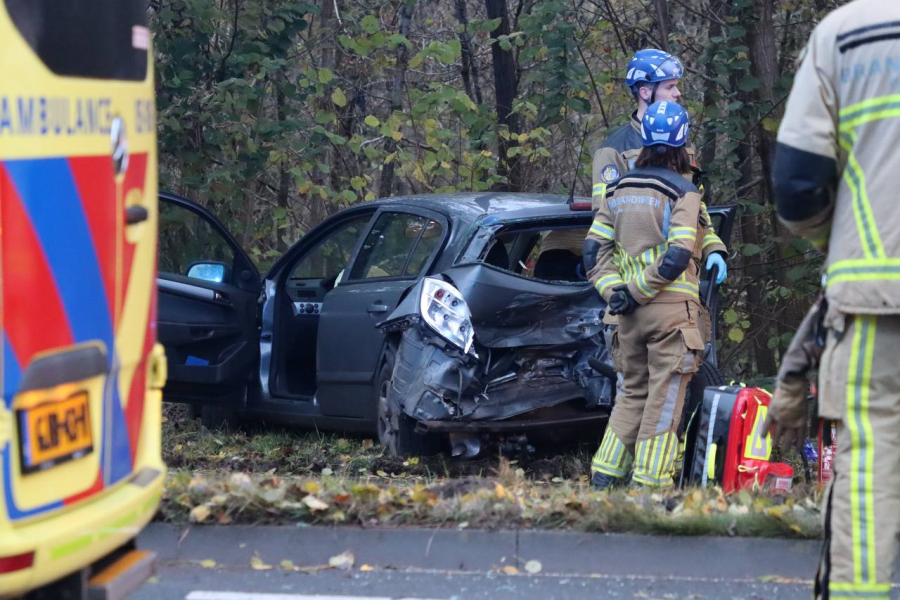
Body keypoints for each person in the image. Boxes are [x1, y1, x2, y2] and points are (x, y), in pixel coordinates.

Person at [771, 2, 900, 598]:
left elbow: (798, 183)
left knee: (871, 464)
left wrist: (840, 242)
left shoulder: (847, 35)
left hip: (877, 296)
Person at [586, 101, 713, 489]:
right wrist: (640, 292)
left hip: (627, 317)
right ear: (682, 142)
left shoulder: (619, 187)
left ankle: (604, 478)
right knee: (665, 398)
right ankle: (650, 485)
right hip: (670, 315)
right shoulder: (684, 191)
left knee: (631, 394)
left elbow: (593, 250)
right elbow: (677, 255)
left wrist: (616, 293)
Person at [586, 49, 728, 290]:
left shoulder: (681, 143)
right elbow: (604, 220)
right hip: (632, 281)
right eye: (670, 87)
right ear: (645, 92)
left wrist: (712, 247)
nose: (677, 93)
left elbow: (696, 206)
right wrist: (615, 288)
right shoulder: (614, 150)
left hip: (683, 279)